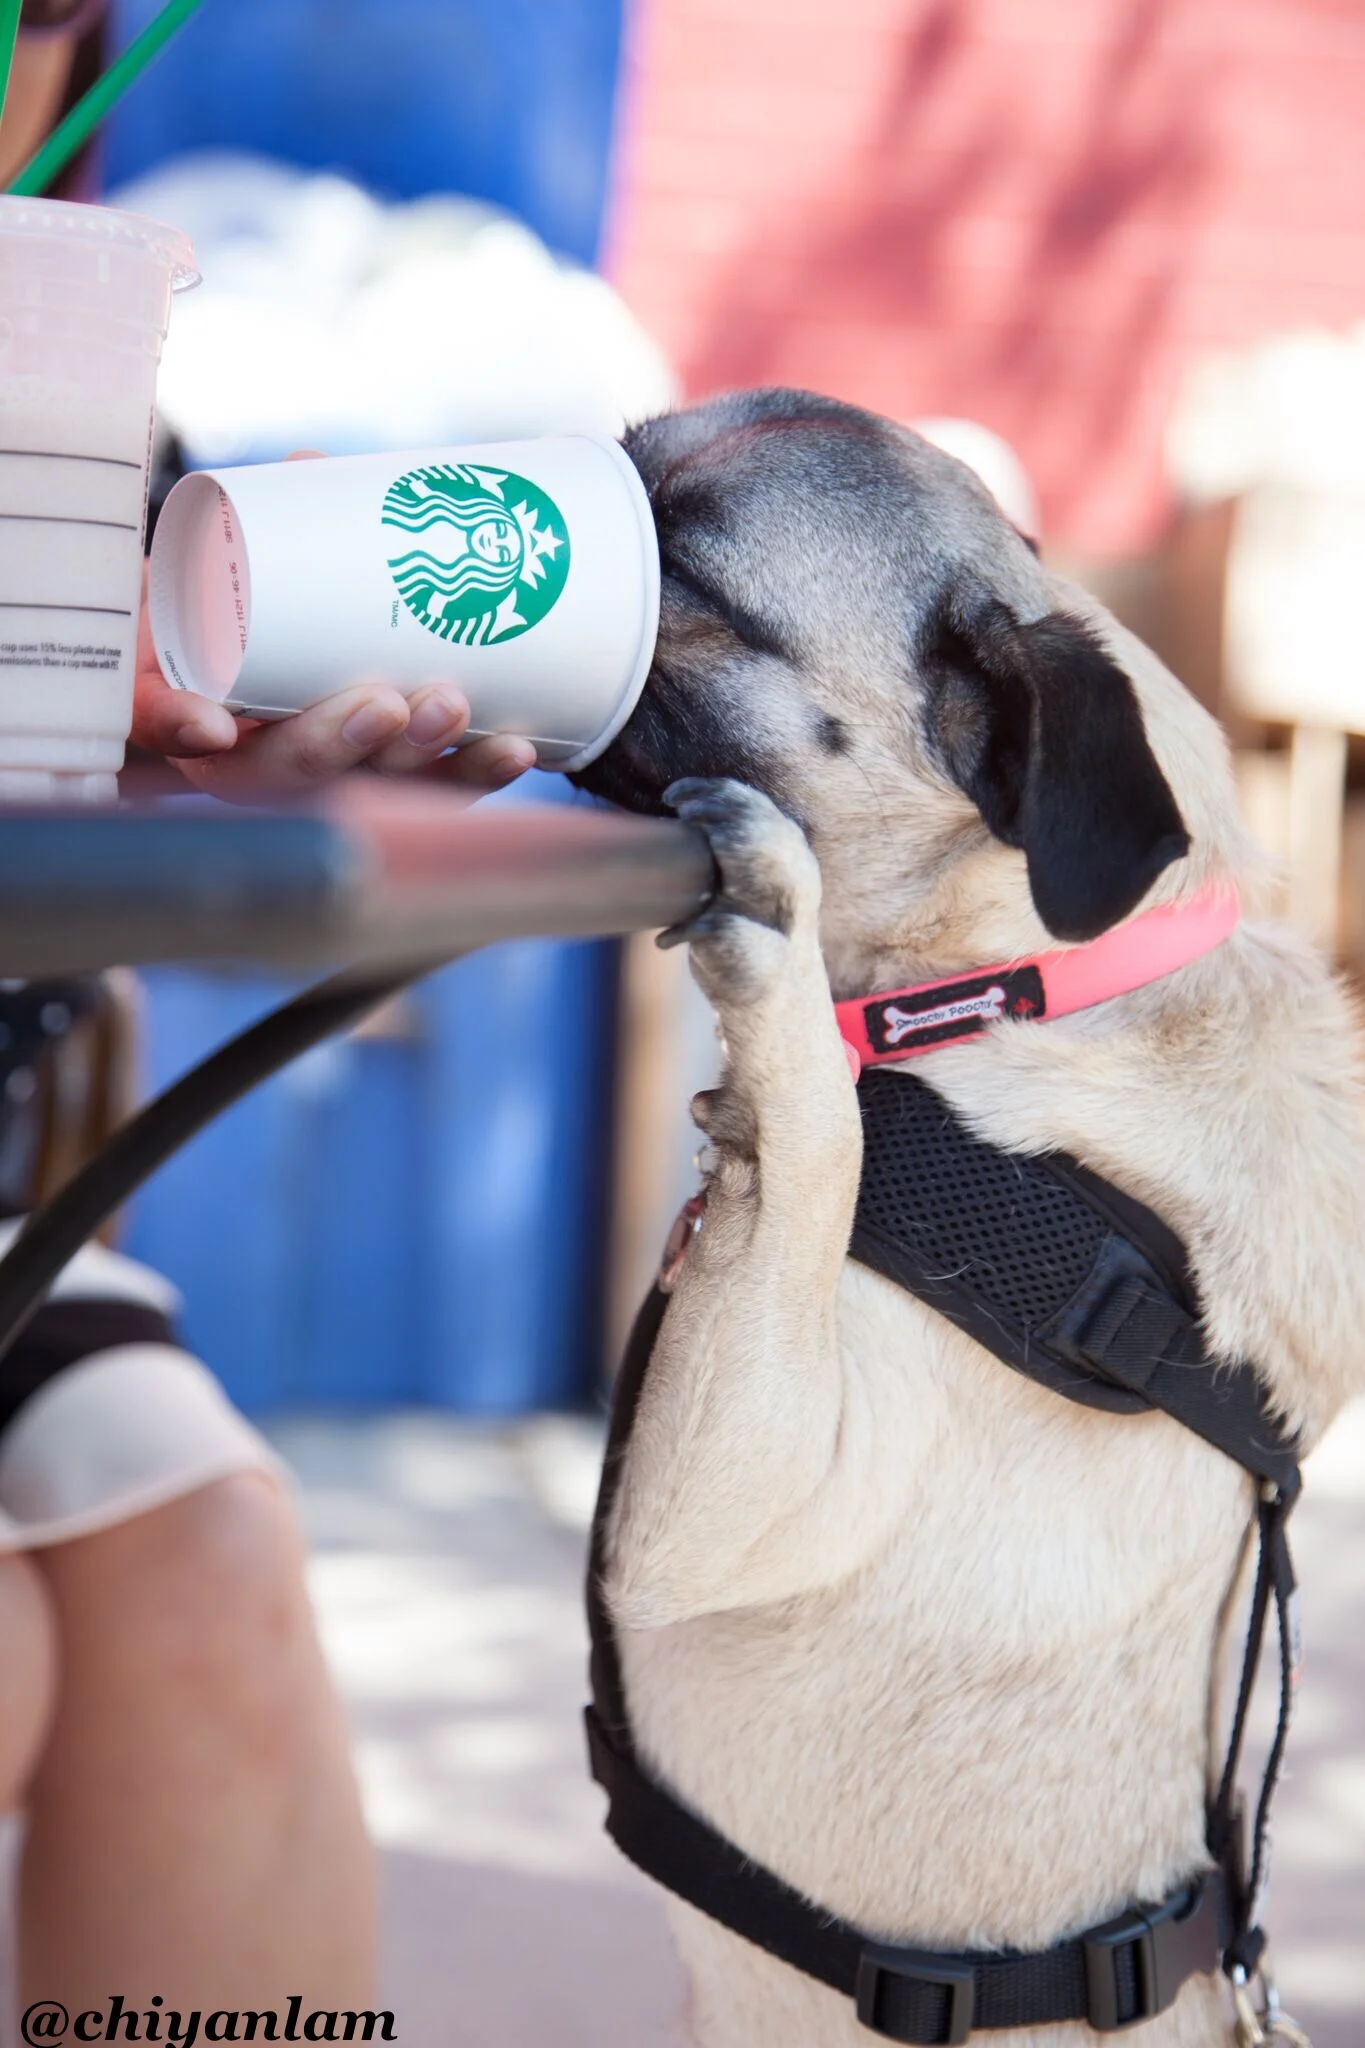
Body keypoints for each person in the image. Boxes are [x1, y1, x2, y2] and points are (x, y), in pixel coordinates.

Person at [0, 1, 533, 2012]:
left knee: (212, 1556)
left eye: (59, 7)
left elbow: (111, 774)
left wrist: (208, 770)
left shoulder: (68, 414)